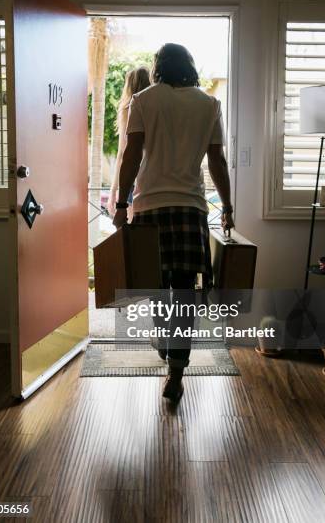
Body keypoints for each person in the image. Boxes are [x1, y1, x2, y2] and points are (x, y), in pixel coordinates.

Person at [113, 43, 234, 401]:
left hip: (150, 206)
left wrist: (121, 204)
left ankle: (165, 342)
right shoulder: (209, 104)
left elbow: (131, 155)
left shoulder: (145, 100)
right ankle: (176, 371)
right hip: (190, 208)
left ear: (158, 68)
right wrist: (227, 207)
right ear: (190, 67)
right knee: (184, 292)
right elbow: (218, 163)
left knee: (155, 286)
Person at [107, 67, 150, 218]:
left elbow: (122, 154)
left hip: (133, 178)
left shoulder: (129, 109)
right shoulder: (154, 107)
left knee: (133, 232)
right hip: (151, 177)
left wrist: (114, 191)